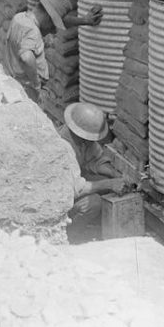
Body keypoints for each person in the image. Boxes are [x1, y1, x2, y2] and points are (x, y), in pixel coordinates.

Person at [2, 0, 102, 101]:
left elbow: (60, 20)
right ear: (49, 18)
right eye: (53, 25)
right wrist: (37, 86)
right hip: (26, 90)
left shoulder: (19, 18)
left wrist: (84, 20)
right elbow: (26, 57)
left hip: (14, 83)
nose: (53, 31)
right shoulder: (33, 31)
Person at [59, 102, 129, 239]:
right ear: (79, 133)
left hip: (74, 184)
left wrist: (114, 174)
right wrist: (110, 184)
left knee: (105, 182)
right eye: (90, 138)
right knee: (94, 203)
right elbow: (75, 189)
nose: (93, 142)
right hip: (62, 197)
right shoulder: (63, 148)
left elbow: (96, 159)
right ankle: (70, 236)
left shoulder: (83, 140)